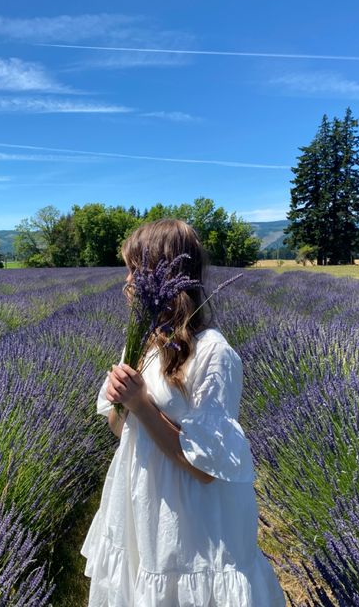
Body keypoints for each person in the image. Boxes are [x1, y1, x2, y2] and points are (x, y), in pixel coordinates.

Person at [80, 218, 286, 606]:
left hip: (190, 522)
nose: (126, 282)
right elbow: (122, 433)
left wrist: (140, 403)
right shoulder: (145, 342)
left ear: (163, 274)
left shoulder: (214, 354)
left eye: (133, 270)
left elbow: (205, 468)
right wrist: (121, 402)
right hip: (142, 507)